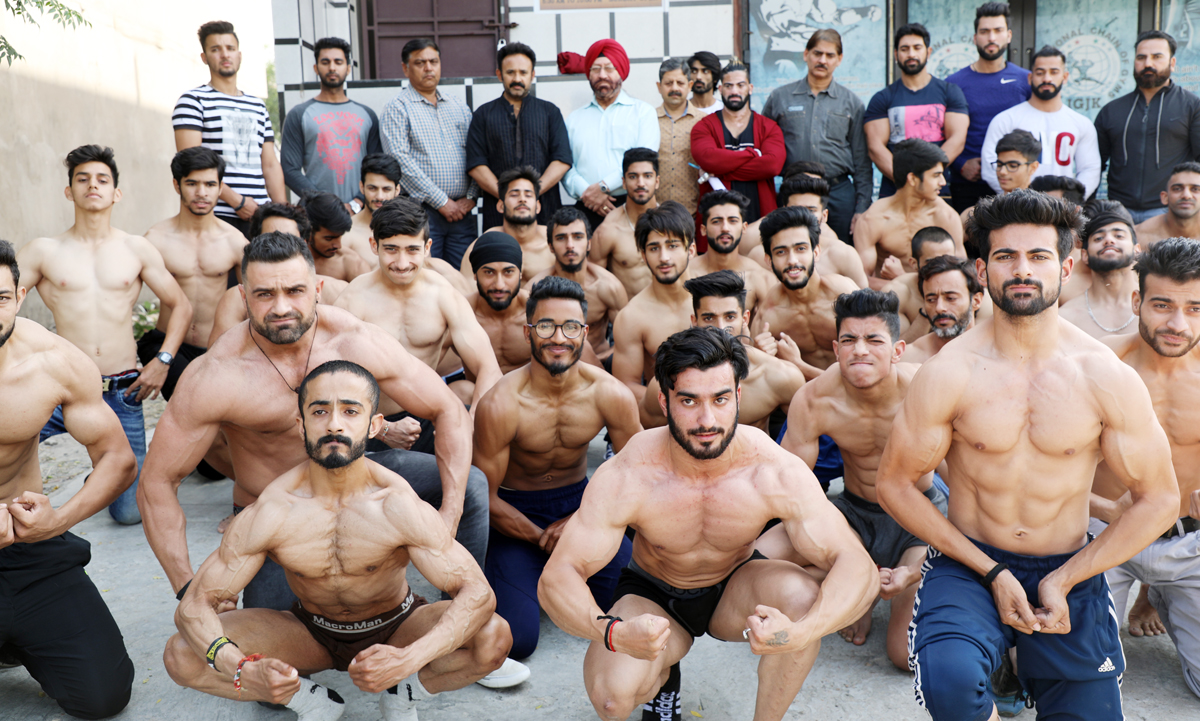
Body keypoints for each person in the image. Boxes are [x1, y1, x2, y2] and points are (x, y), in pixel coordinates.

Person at [876, 189, 1179, 721]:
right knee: (950, 682)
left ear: (1065, 266)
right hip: (970, 563)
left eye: (1038, 257)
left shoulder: (1103, 375)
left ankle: (1020, 666)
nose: (1022, 270)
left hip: (1068, 565)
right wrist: (991, 572)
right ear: (981, 269)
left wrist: (1065, 578)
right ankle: (990, 668)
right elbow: (896, 483)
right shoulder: (948, 372)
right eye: (1005, 256)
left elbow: (1159, 499)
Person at [137, 232, 490, 618]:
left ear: (318, 289)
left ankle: (457, 613)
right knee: (271, 646)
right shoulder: (218, 375)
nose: (281, 307)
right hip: (274, 514)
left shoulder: (353, 341)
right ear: (243, 297)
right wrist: (188, 587)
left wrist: (447, 519)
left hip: (356, 480)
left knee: (470, 486)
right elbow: (157, 482)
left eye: (295, 290)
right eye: (264, 294)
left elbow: (448, 410)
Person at [538, 325, 878, 721]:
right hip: (655, 594)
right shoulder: (629, 473)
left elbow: (858, 567)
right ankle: (663, 676)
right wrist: (612, 631)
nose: (706, 419)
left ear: (737, 396)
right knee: (613, 700)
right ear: (664, 403)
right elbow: (557, 577)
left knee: (802, 606)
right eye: (689, 401)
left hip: (736, 584)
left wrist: (801, 634)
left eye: (719, 399)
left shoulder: (771, 469)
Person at [163, 361, 513, 720]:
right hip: (310, 630)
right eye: (319, 411)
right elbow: (195, 606)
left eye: (350, 410)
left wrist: (409, 659)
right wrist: (241, 668)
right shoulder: (272, 509)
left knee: (493, 637)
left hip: (397, 626)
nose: (333, 423)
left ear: (374, 425)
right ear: (301, 426)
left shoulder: (396, 504)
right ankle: (310, 700)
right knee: (182, 655)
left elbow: (477, 593)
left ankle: (403, 693)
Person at [759, 289, 945, 671]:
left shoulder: (926, 392)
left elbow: (963, 483)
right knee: (755, 559)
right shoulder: (814, 399)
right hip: (853, 515)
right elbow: (793, 488)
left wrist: (918, 568)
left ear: (898, 349)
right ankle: (855, 584)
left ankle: (863, 586)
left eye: (874, 339)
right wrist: (832, 545)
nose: (860, 349)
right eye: (849, 340)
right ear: (836, 348)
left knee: (903, 657)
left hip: (916, 517)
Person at [0, 240, 138, 720]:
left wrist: (54, 523)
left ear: (19, 295)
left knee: (103, 695)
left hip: (26, 550)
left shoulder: (52, 362)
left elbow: (118, 460)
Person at [19, 145, 193, 526]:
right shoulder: (43, 251)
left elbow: (180, 305)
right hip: (59, 387)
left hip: (120, 390)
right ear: (69, 191)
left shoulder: (136, 248)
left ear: (116, 193)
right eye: (82, 179)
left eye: (102, 179)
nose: (92, 185)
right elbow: (5, 305)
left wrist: (162, 361)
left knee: (130, 512)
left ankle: (103, 478)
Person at [474, 277, 642, 661]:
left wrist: (586, 517)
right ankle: (529, 579)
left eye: (570, 327)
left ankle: (558, 580)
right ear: (528, 331)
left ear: (585, 331)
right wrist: (539, 538)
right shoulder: (501, 403)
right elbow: (484, 495)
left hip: (581, 507)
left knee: (636, 606)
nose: (558, 338)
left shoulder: (609, 393)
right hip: (516, 519)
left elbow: (638, 472)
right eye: (546, 326)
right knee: (517, 641)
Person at [1092, 237, 1200, 698]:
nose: (1178, 324)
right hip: (1104, 537)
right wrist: (1099, 507)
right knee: (1077, 682)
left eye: (1195, 308)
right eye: (1162, 305)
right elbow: (1042, 465)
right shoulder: (1097, 365)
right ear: (1137, 300)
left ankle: (1159, 596)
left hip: (1189, 541)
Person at [335, 196, 502, 427]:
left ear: (427, 248)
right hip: (368, 423)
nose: (402, 263)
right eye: (391, 249)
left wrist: (473, 421)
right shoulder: (353, 300)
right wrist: (382, 428)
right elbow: (326, 379)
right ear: (374, 246)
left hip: (428, 415)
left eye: (412, 250)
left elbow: (488, 368)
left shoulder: (443, 294)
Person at [140, 146, 247, 400]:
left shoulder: (234, 242)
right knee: (193, 407)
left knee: (218, 428)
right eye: (192, 183)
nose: (202, 193)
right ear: (177, 185)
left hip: (218, 347)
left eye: (210, 184)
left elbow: (253, 302)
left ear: (221, 188)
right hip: (169, 345)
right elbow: (121, 298)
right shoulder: (155, 239)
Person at [640, 271, 804, 433]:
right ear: (694, 321)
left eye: (730, 317)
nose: (720, 328)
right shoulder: (669, 383)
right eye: (709, 318)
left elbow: (804, 439)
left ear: (745, 319)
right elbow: (642, 435)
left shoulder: (780, 376)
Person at [173, 20, 285, 238]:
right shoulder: (193, 101)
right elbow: (189, 164)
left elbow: (270, 165)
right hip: (216, 213)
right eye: (215, 49)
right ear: (204, 58)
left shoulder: (258, 106)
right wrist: (237, 201)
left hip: (261, 215)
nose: (225, 55)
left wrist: (282, 213)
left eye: (230, 49)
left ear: (239, 55)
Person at [762, 29, 872, 243]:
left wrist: (861, 209)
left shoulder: (852, 103)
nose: (823, 60)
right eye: (817, 53)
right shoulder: (779, 98)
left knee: (838, 252)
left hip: (838, 193)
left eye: (830, 55)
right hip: (793, 191)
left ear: (839, 59)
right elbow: (765, 153)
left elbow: (862, 163)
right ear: (806, 55)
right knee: (791, 246)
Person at [381, 38, 478, 269]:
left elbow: (477, 152)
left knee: (463, 276)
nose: (428, 68)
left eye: (433, 61)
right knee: (427, 276)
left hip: (462, 212)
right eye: (420, 62)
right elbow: (399, 160)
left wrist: (472, 197)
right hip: (422, 212)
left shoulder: (458, 106)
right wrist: (442, 201)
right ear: (405, 68)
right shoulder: (397, 107)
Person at [1095, 30, 1200, 224]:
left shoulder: (1192, 107)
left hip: (1169, 213)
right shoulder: (1111, 111)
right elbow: (1095, 164)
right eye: (1141, 57)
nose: (1148, 64)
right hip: (1118, 212)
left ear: (1173, 63)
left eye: (1157, 57)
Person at [467, 42, 572, 230]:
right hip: (498, 211)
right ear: (499, 74)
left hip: (545, 209)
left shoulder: (549, 112)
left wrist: (532, 193)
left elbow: (562, 159)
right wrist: (507, 196)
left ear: (532, 75)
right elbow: (476, 164)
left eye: (523, 73)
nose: (517, 78)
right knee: (499, 257)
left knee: (546, 256)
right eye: (510, 73)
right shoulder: (483, 114)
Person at [561, 39, 660, 231]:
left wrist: (603, 188)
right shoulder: (574, 119)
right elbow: (565, 166)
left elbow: (644, 159)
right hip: (585, 206)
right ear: (588, 74)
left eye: (609, 68)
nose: (602, 75)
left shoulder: (643, 113)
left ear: (621, 72)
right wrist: (588, 194)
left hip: (631, 205)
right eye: (596, 69)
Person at [752, 206, 859, 381]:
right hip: (808, 399)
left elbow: (874, 363)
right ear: (768, 260)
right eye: (781, 252)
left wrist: (798, 364)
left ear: (816, 253)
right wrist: (763, 358)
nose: (792, 260)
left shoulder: (844, 295)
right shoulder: (768, 317)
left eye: (800, 249)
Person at [944, 2, 1032, 213]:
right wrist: (961, 164)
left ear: (1009, 35)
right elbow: (942, 134)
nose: (991, 38)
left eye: (998, 31)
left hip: (1015, 184)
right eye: (984, 32)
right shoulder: (954, 83)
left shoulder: (1025, 80)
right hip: (968, 183)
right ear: (975, 38)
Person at [981, 46, 1101, 199]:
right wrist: (1017, 200)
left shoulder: (1081, 123)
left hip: (1062, 210)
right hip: (1017, 207)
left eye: (1054, 72)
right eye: (1040, 72)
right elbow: (989, 165)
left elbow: (1090, 169)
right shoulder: (1006, 120)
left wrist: (1070, 201)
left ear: (1065, 77)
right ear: (1030, 78)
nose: (1047, 79)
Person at [865, 23, 968, 199]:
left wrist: (928, 178)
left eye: (917, 48)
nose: (911, 54)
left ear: (927, 52)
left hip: (938, 191)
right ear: (896, 55)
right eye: (904, 49)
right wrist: (906, 181)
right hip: (895, 191)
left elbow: (957, 140)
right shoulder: (882, 98)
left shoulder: (950, 92)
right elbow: (876, 148)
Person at [280, 37, 382, 209]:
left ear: (348, 68)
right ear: (316, 68)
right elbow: (290, 170)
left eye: (338, 62)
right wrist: (324, 202)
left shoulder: (367, 115)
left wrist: (357, 202)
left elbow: (377, 166)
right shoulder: (299, 114)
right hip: (317, 214)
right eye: (325, 62)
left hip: (361, 212)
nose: (332, 67)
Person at [611, 202, 698, 405]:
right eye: (654, 248)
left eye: (673, 245)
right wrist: (680, 404)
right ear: (643, 255)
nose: (664, 257)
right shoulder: (632, 316)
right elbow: (626, 386)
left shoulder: (714, 301)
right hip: (663, 414)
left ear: (691, 250)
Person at [854, 139, 964, 289]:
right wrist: (905, 286)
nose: (943, 182)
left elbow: (960, 275)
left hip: (935, 298)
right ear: (912, 178)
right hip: (889, 301)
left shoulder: (946, 216)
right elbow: (861, 281)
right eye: (936, 175)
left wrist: (902, 278)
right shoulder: (873, 219)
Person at [528, 207, 629, 364]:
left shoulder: (608, 287)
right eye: (561, 238)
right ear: (551, 246)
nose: (570, 245)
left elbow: (628, 342)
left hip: (597, 366)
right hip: (550, 365)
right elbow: (526, 342)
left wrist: (597, 360)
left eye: (577, 237)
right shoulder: (534, 289)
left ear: (589, 244)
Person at [691, 62, 785, 224]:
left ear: (750, 88)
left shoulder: (768, 127)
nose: (734, 91)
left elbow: (772, 165)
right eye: (728, 86)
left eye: (740, 85)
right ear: (720, 89)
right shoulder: (704, 126)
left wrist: (719, 171)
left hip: (760, 216)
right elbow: (707, 158)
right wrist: (753, 154)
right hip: (717, 219)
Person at [745, 173, 870, 288]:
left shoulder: (844, 255)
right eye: (796, 209)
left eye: (811, 210)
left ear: (824, 215)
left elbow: (866, 306)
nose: (803, 216)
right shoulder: (759, 256)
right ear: (784, 210)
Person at [459, 166, 556, 284]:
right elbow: (467, 292)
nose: (522, 199)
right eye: (514, 195)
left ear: (538, 206)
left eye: (528, 195)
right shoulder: (483, 246)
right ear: (501, 206)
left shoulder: (555, 244)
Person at [589, 148, 662, 298]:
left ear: (657, 181)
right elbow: (592, 283)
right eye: (633, 176)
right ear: (623, 182)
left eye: (647, 176)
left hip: (669, 316)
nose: (640, 183)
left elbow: (689, 275)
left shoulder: (674, 224)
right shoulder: (609, 229)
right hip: (626, 316)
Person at [1060, 202, 1140, 339]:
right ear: (1084, 255)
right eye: (1099, 238)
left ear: (1137, 249)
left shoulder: (1155, 305)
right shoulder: (1064, 318)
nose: (1109, 240)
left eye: (1119, 236)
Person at [689, 190, 774, 309]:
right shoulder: (685, 275)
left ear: (744, 228)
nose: (725, 228)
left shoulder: (760, 278)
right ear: (703, 229)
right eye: (716, 221)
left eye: (733, 221)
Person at [467, 232, 531, 373]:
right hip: (480, 393)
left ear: (520, 273)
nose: (499, 285)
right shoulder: (461, 313)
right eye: (489, 273)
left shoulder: (537, 311)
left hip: (526, 393)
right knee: (461, 389)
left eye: (508, 272)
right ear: (475, 274)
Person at [902, 254, 984, 364]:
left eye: (951, 298)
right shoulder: (909, 358)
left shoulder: (999, 353)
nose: (939, 308)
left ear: (976, 301)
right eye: (931, 300)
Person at [654, 58, 702, 215]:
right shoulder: (647, 120)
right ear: (659, 87)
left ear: (689, 86)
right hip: (654, 213)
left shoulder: (704, 121)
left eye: (680, 83)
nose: (674, 88)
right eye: (668, 83)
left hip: (692, 213)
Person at [343, 153, 402, 268]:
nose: (379, 196)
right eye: (372, 188)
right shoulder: (347, 232)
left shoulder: (410, 229)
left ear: (397, 190)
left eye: (386, 189)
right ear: (362, 187)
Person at [303, 191, 371, 282]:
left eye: (340, 236)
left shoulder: (353, 265)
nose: (338, 245)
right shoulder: (290, 259)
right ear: (309, 233)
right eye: (329, 239)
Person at [1134, 161, 1200, 246]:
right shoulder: (1139, 236)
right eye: (1177, 189)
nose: (1186, 196)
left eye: (1195, 189)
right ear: (1165, 197)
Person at [686, 51, 723, 115]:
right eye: (694, 71)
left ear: (715, 78)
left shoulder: (724, 110)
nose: (698, 77)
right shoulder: (682, 111)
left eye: (705, 71)